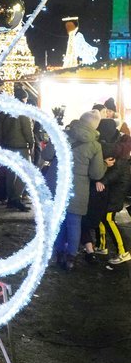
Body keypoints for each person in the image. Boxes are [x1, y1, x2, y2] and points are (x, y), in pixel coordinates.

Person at [55, 110, 106, 270]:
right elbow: (96, 173)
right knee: (74, 223)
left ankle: (59, 254)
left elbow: (47, 154)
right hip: (79, 188)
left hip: (60, 184)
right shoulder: (95, 145)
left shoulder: (63, 135)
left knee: (60, 222)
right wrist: (105, 164)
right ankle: (71, 259)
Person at [0, 88, 34, 211]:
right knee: (25, 173)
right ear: (23, 98)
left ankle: (11, 199)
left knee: (10, 174)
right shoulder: (23, 112)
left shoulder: (4, 112)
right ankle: (16, 198)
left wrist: (0, 144)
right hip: (20, 147)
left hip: (7, 147)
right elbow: (27, 131)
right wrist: (31, 143)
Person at [96, 138, 131, 265]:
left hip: (115, 196)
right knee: (102, 218)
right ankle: (101, 246)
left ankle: (123, 252)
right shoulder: (123, 155)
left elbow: (115, 173)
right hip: (113, 194)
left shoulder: (121, 157)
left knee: (109, 220)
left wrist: (103, 181)